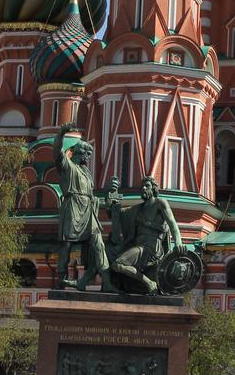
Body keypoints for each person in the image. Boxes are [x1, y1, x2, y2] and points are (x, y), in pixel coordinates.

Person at [54, 123, 112, 289]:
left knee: (98, 242)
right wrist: (62, 132)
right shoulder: (67, 166)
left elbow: (92, 194)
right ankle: (61, 279)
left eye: (90, 154)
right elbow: (57, 152)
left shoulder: (86, 173)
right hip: (73, 207)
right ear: (79, 153)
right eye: (87, 153)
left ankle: (106, 280)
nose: (88, 157)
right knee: (67, 244)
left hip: (88, 210)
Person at [109, 175, 183, 293]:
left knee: (118, 264)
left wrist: (178, 242)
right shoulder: (137, 209)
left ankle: (149, 283)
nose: (143, 188)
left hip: (151, 249)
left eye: (147, 186)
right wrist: (112, 196)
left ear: (153, 189)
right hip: (139, 247)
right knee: (112, 255)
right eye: (142, 186)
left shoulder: (160, 203)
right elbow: (118, 213)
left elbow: (172, 223)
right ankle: (147, 282)